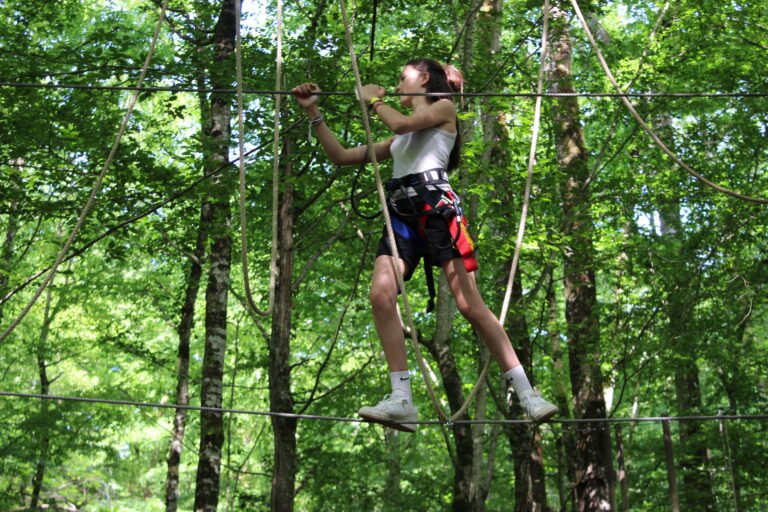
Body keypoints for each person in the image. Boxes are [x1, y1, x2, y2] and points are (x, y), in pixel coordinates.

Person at [292, 58, 557, 432]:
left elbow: (400, 120)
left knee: (470, 305)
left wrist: (373, 101)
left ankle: (528, 394)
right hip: (402, 219)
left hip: (438, 216)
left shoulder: (443, 109)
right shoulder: (399, 141)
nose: (397, 84)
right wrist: (314, 113)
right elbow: (342, 157)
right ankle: (401, 399)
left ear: (424, 79)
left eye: (403, 78)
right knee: (380, 295)